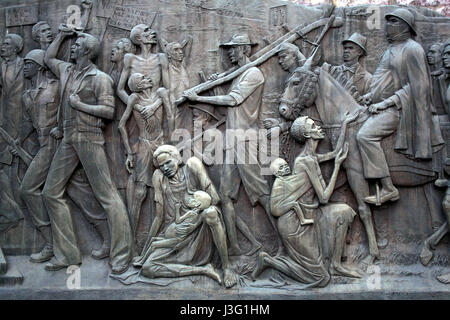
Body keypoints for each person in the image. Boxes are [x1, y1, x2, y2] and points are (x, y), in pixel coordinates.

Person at [42, 26, 133, 274]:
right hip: (69, 138)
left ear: (87, 50)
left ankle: (122, 254)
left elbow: (109, 112)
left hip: (89, 137)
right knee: (50, 192)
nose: (72, 46)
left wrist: (80, 105)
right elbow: (48, 58)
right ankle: (68, 254)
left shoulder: (101, 78)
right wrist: (62, 34)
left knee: (107, 195)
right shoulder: (67, 70)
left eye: (77, 44)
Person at [183, 33, 278, 256]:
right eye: (229, 49)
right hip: (231, 142)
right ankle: (234, 247)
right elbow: (228, 102)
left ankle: (283, 244)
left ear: (245, 49)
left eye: (234, 48)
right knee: (225, 196)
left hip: (246, 141)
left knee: (262, 195)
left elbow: (233, 100)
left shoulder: (253, 73)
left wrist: (198, 98)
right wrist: (217, 83)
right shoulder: (237, 74)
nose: (230, 52)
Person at [252, 115, 361, 286]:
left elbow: (335, 153)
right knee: (320, 278)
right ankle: (268, 261)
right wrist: (337, 166)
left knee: (345, 212)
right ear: (307, 135)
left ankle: (336, 265)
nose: (318, 127)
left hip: (312, 213)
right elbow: (324, 197)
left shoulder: (312, 157)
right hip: (295, 224)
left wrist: (345, 124)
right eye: (313, 126)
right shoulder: (305, 161)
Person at [356, 8, 444, 205]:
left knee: (364, 135)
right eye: (388, 21)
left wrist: (386, 103)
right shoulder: (391, 49)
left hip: (400, 110)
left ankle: (388, 187)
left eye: (393, 21)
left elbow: (416, 88)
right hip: (380, 104)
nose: (388, 25)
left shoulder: (413, 49)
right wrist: (370, 97)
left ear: (406, 26)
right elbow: (387, 80)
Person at [134, 145, 237, 288]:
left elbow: (214, 199)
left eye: (168, 162)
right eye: (161, 165)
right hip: (175, 235)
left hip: (199, 230)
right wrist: (144, 252)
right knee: (147, 268)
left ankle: (226, 268)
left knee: (211, 212)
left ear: (176, 158)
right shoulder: (159, 177)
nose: (165, 168)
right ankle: (203, 270)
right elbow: (158, 218)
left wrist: (193, 218)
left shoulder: (192, 165)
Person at [118, 72, 169, 240]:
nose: (148, 78)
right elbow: (121, 126)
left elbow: (171, 115)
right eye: (143, 78)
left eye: (148, 76)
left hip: (160, 143)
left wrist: (171, 143)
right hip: (144, 146)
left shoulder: (161, 93)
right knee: (140, 193)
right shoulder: (134, 98)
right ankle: (131, 239)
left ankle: (166, 233)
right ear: (138, 85)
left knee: (166, 186)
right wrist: (130, 154)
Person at [0, 33, 25, 232]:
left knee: (12, 169)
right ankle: (11, 212)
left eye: (7, 44)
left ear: (16, 48)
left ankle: (12, 213)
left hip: (20, 121)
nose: (3, 47)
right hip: (3, 120)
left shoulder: (24, 65)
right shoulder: (1, 65)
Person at [325, 32, 372, 98]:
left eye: (350, 48)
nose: (346, 51)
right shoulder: (332, 71)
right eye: (345, 48)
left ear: (360, 52)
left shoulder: (367, 78)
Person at [270, 158, 314, 225]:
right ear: (276, 173)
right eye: (282, 167)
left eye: (286, 165)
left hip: (281, 204)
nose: (286, 168)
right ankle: (303, 221)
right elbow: (293, 186)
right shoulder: (279, 182)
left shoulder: (285, 179)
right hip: (276, 209)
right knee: (294, 204)